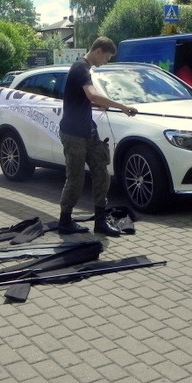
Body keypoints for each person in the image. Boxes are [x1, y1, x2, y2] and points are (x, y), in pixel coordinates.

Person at [58, 37, 138, 236]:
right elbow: (92, 94)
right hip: (73, 134)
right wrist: (121, 106)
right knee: (76, 178)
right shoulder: (80, 68)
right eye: (107, 57)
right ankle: (65, 221)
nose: (106, 61)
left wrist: (96, 105)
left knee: (101, 172)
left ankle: (100, 222)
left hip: (88, 131)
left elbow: (83, 99)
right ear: (99, 51)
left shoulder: (85, 69)